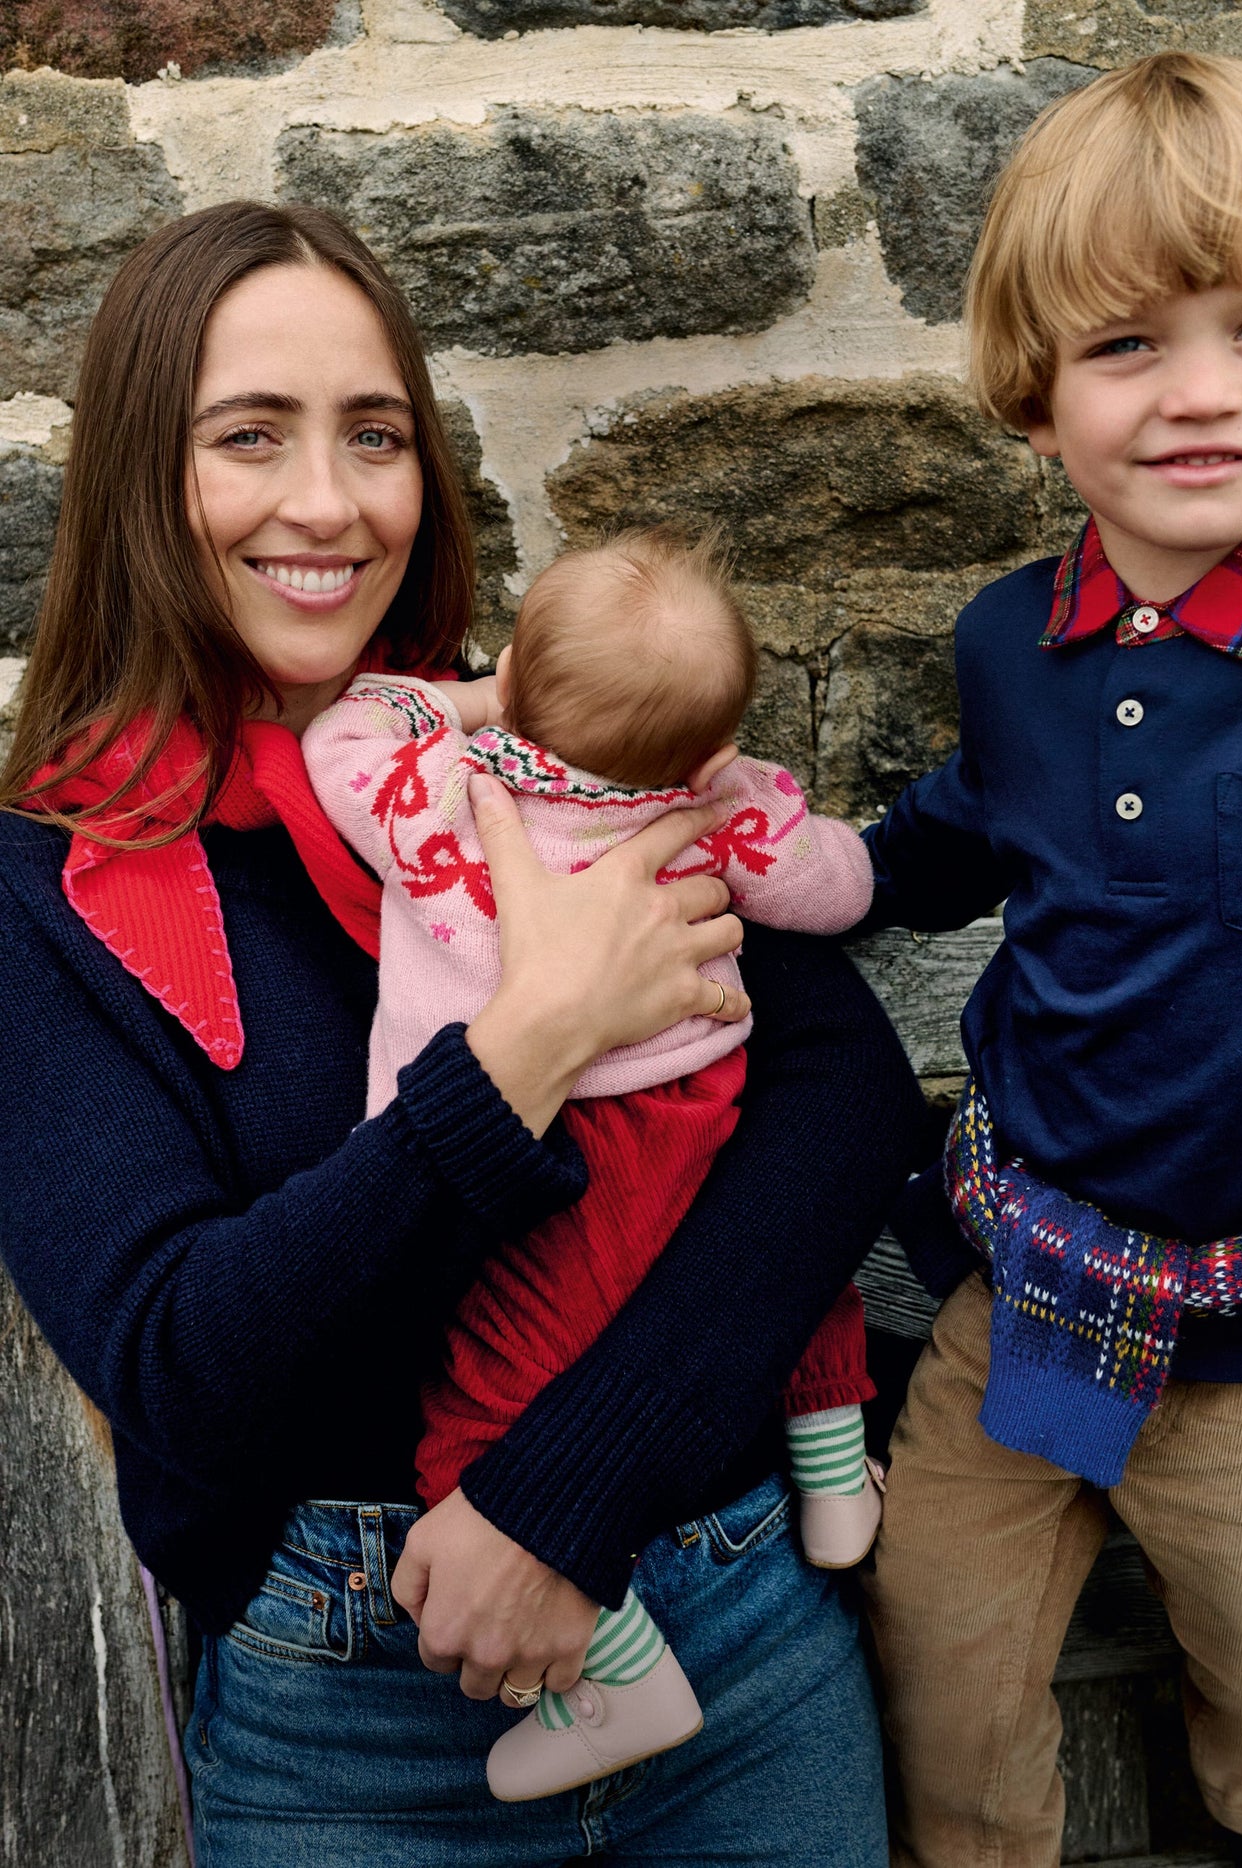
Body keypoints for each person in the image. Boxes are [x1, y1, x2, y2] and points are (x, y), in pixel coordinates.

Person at [0, 200, 923, 1865]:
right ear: (144, 474)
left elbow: (841, 1097)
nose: (329, 503)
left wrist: (565, 1493)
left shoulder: (533, 743)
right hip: (359, 1716)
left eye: (376, 436)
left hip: (730, 1618)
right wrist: (533, 1042)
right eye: (249, 437)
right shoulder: (48, 887)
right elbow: (185, 1359)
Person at [857, 52, 1242, 1868]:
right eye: (1124, 346)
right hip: (1032, 1282)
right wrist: (817, 872)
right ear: (1038, 401)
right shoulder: (1008, 643)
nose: (1200, 393)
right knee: (945, 1673)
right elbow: (967, 833)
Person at [301, 526, 886, 1799]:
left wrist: (472, 699)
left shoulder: (442, 791)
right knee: (765, 1249)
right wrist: (768, 801)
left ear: (510, 677)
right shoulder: (715, 806)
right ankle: (837, 1474)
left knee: (480, 1404)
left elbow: (337, 735)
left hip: (551, 1139)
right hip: (701, 1090)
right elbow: (833, 887)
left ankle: (619, 1678)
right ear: (712, 741)